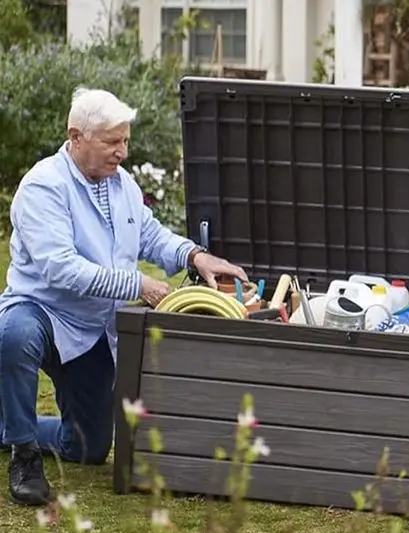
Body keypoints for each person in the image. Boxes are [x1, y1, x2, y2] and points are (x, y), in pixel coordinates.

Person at [0, 87, 248, 507]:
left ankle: (7, 426)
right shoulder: (43, 187)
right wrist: (138, 285)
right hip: (41, 311)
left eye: (125, 141)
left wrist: (195, 254)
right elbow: (61, 268)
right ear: (76, 137)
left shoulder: (122, 184)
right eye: (112, 142)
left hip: (91, 329)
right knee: (12, 336)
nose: (123, 152)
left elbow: (149, 236)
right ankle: (24, 456)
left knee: (88, 449)